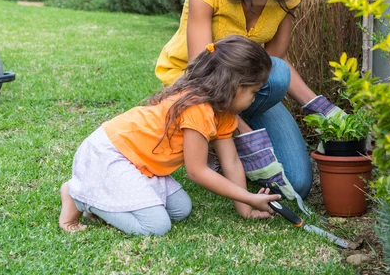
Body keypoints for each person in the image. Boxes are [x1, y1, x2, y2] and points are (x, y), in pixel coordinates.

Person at [155, 0, 344, 199]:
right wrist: (242, 133)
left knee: (296, 184)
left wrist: (324, 110)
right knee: (274, 78)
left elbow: (271, 65)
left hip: (246, 90)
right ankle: (214, 142)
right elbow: (200, 73)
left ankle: (223, 145)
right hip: (194, 88)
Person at [59, 36, 282, 236]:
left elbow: (231, 162)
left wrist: (246, 208)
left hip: (140, 164)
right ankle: (78, 196)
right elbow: (198, 172)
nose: (255, 99)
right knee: (156, 226)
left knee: (180, 210)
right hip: (112, 154)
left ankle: (104, 198)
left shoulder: (224, 113)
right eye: (254, 92)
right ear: (235, 86)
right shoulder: (198, 109)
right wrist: (250, 197)